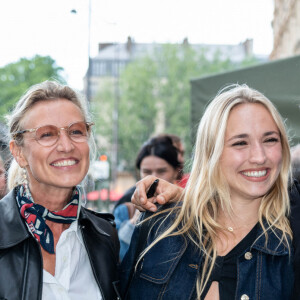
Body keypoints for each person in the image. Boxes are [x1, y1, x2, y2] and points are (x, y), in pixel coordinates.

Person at [121, 84, 294, 299]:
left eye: (270, 140)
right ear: (211, 152)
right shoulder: (160, 226)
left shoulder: (291, 241)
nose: (259, 157)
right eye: (240, 143)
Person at [0, 81, 120, 300]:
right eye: (47, 134)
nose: (66, 145)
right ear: (18, 152)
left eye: (76, 131)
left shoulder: (105, 236)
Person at [114, 135, 182, 261]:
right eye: (146, 172)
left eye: (161, 171)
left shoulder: (188, 211)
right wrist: (135, 221)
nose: (153, 178)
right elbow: (118, 259)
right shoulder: (124, 211)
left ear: (176, 171)